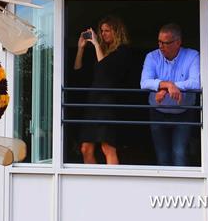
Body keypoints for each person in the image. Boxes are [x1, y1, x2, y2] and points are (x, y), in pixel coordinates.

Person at [73, 15, 133, 165]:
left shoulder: (122, 52)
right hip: (93, 104)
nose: (103, 34)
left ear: (117, 32)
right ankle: (92, 186)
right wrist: (81, 48)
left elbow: (105, 71)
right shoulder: (100, 50)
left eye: (107, 30)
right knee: (85, 148)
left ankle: (113, 186)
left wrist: (95, 45)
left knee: (108, 147)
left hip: (109, 104)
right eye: (102, 31)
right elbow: (78, 72)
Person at [140, 23, 201, 167]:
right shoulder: (152, 56)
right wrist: (168, 85)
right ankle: (164, 190)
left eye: (166, 43)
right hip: (157, 113)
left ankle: (182, 190)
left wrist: (166, 87)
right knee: (162, 157)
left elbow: (195, 83)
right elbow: (144, 83)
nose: (161, 46)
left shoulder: (192, 55)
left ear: (178, 42)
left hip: (184, 113)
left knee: (179, 153)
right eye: (159, 42)